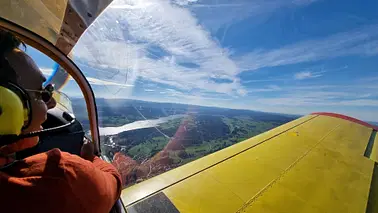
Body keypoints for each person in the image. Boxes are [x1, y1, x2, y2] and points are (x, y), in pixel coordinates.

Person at [0, 29, 122, 213]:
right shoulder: (58, 179)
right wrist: (89, 158)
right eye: (41, 94)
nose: (52, 103)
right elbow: (112, 181)